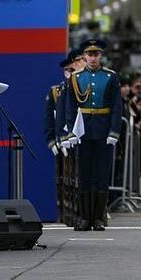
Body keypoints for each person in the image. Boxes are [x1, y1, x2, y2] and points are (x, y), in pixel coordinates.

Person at [61, 39, 122, 231]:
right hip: (84, 130)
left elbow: (116, 107)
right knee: (85, 174)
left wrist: (114, 131)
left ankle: (99, 218)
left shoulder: (111, 77)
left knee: (101, 175)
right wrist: (71, 131)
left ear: (101, 56)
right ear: (84, 56)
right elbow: (70, 108)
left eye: (96, 55)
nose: (93, 58)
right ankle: (85, 218)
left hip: (103, 130)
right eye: (89, 54)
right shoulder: (76, 77)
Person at [45, 49, 83, 226]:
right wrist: (54, 140)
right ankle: (65, 213)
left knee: (80, 179)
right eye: (67, 69)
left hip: (81, 138)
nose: (70, 72)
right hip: (64, 139)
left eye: (72, 68)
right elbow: (52, 118)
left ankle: (81, 212)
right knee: (65, 179)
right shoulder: (57, 91)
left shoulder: (83, 87)